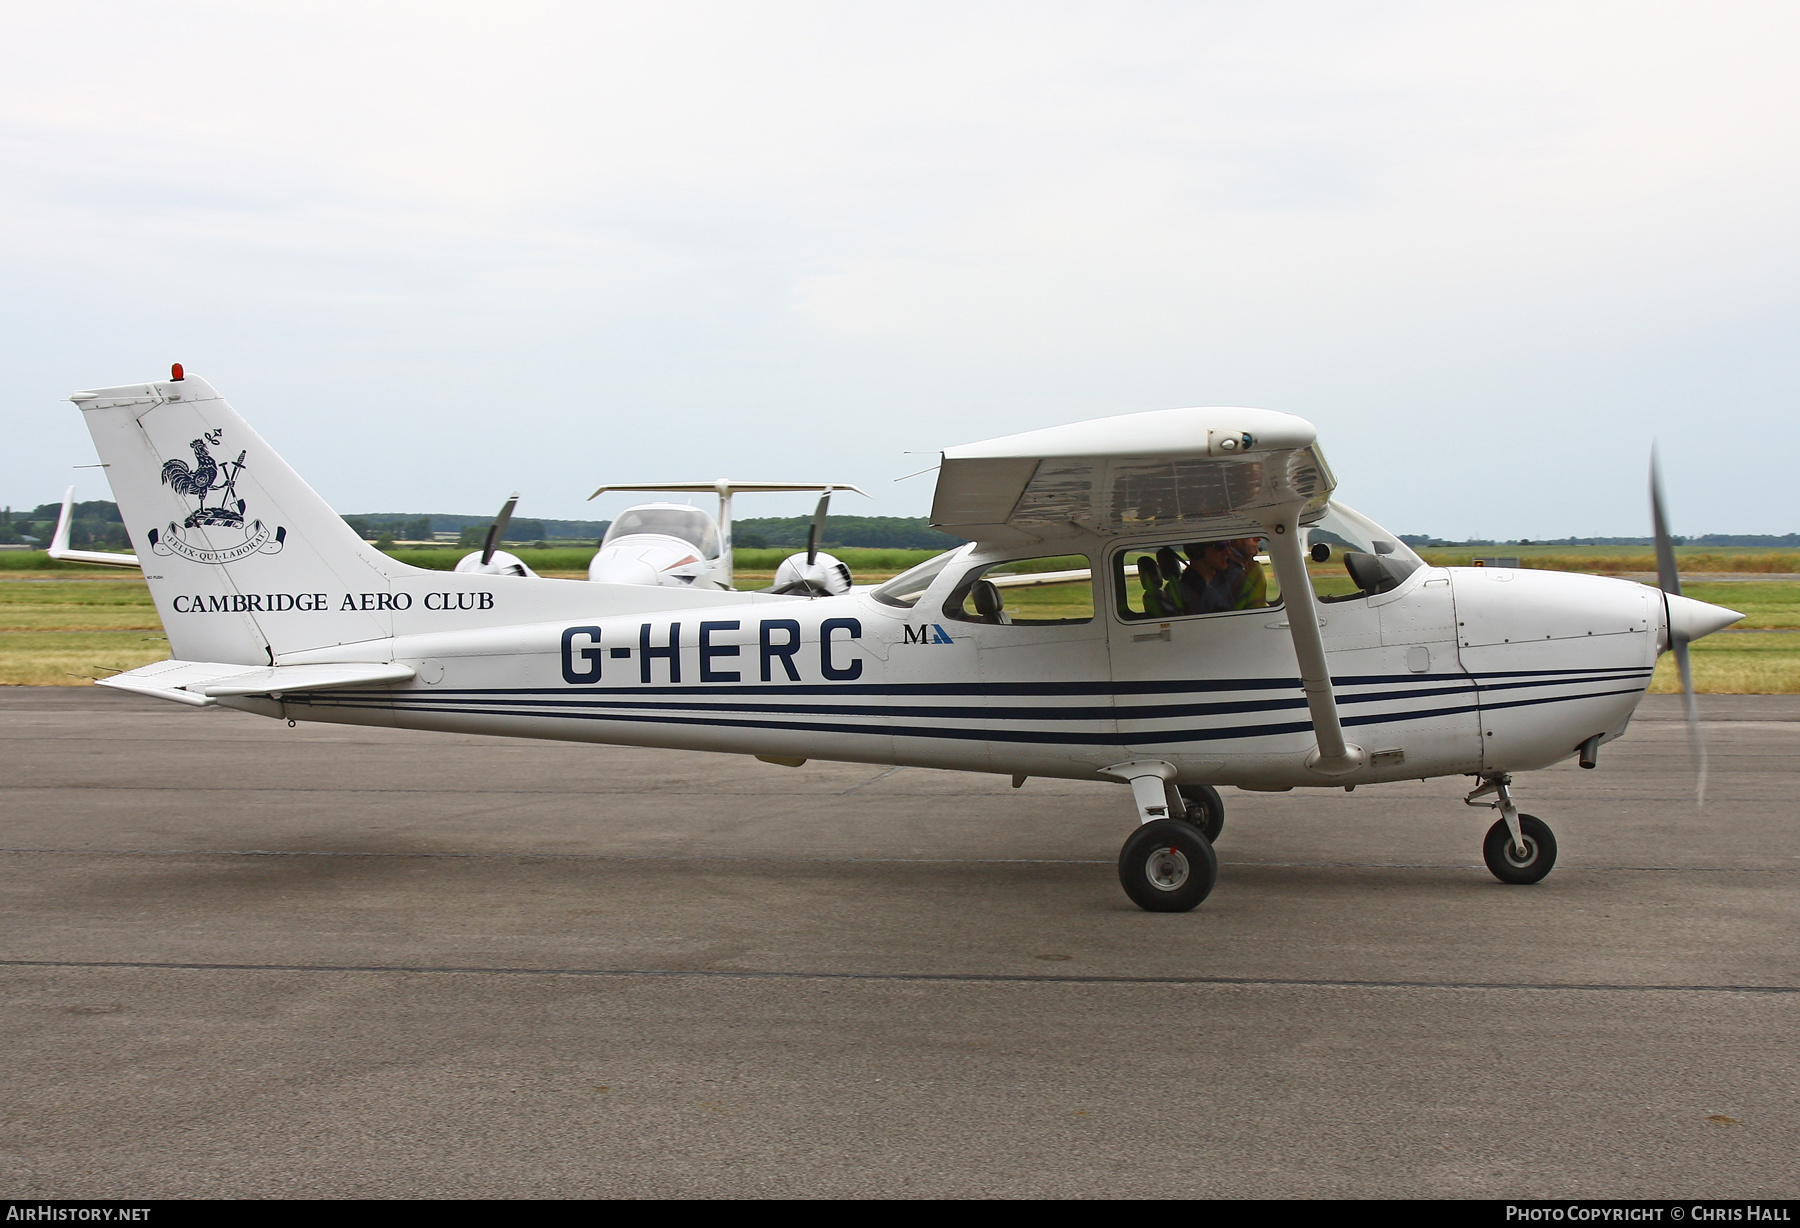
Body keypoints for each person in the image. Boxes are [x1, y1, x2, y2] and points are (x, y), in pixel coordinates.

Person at [1178, 541, 1243, 614]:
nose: (1228, 552)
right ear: (1197, 550)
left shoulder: (1197, 587)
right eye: (1220, 547)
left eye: (1228, 545)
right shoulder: (1196, 595)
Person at [1228, 538, 1268, 609]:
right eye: (1250, 536)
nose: (1258, 539)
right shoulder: (1228, 574)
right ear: (1235, 540)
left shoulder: (1254, 568)